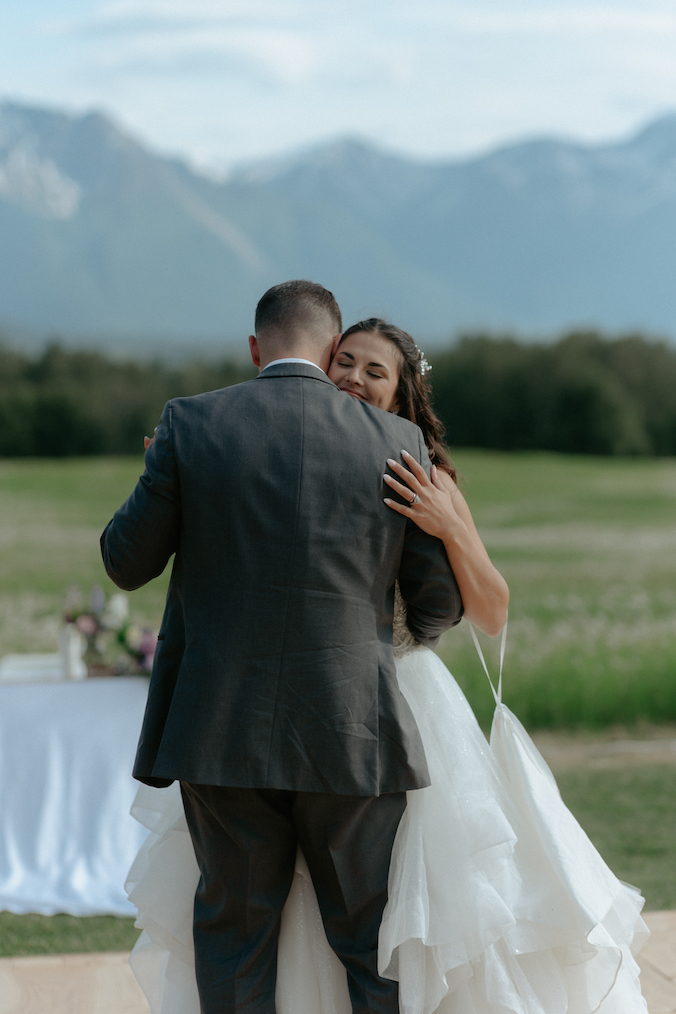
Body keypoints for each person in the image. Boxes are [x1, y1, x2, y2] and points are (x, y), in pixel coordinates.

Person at [124, 317, 649, 1014]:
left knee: (389, 923)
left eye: (376, 371)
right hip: (303, 716)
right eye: (344, 362)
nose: (353, 378)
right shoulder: (268, 449)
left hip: (389, 706)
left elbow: (489, 611)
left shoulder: (416, 471)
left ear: (404, 394)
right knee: (315, 921)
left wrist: (451, 523)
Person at [101, 283, 465, 1014]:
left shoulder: (190, 424)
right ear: (333, 352)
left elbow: (124, 561)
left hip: (219, 728)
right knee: (370, 944)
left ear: (254, 347)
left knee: (235, 940)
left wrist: (162, 474)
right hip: (351, 725)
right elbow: (437, 607)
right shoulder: (398, 443)